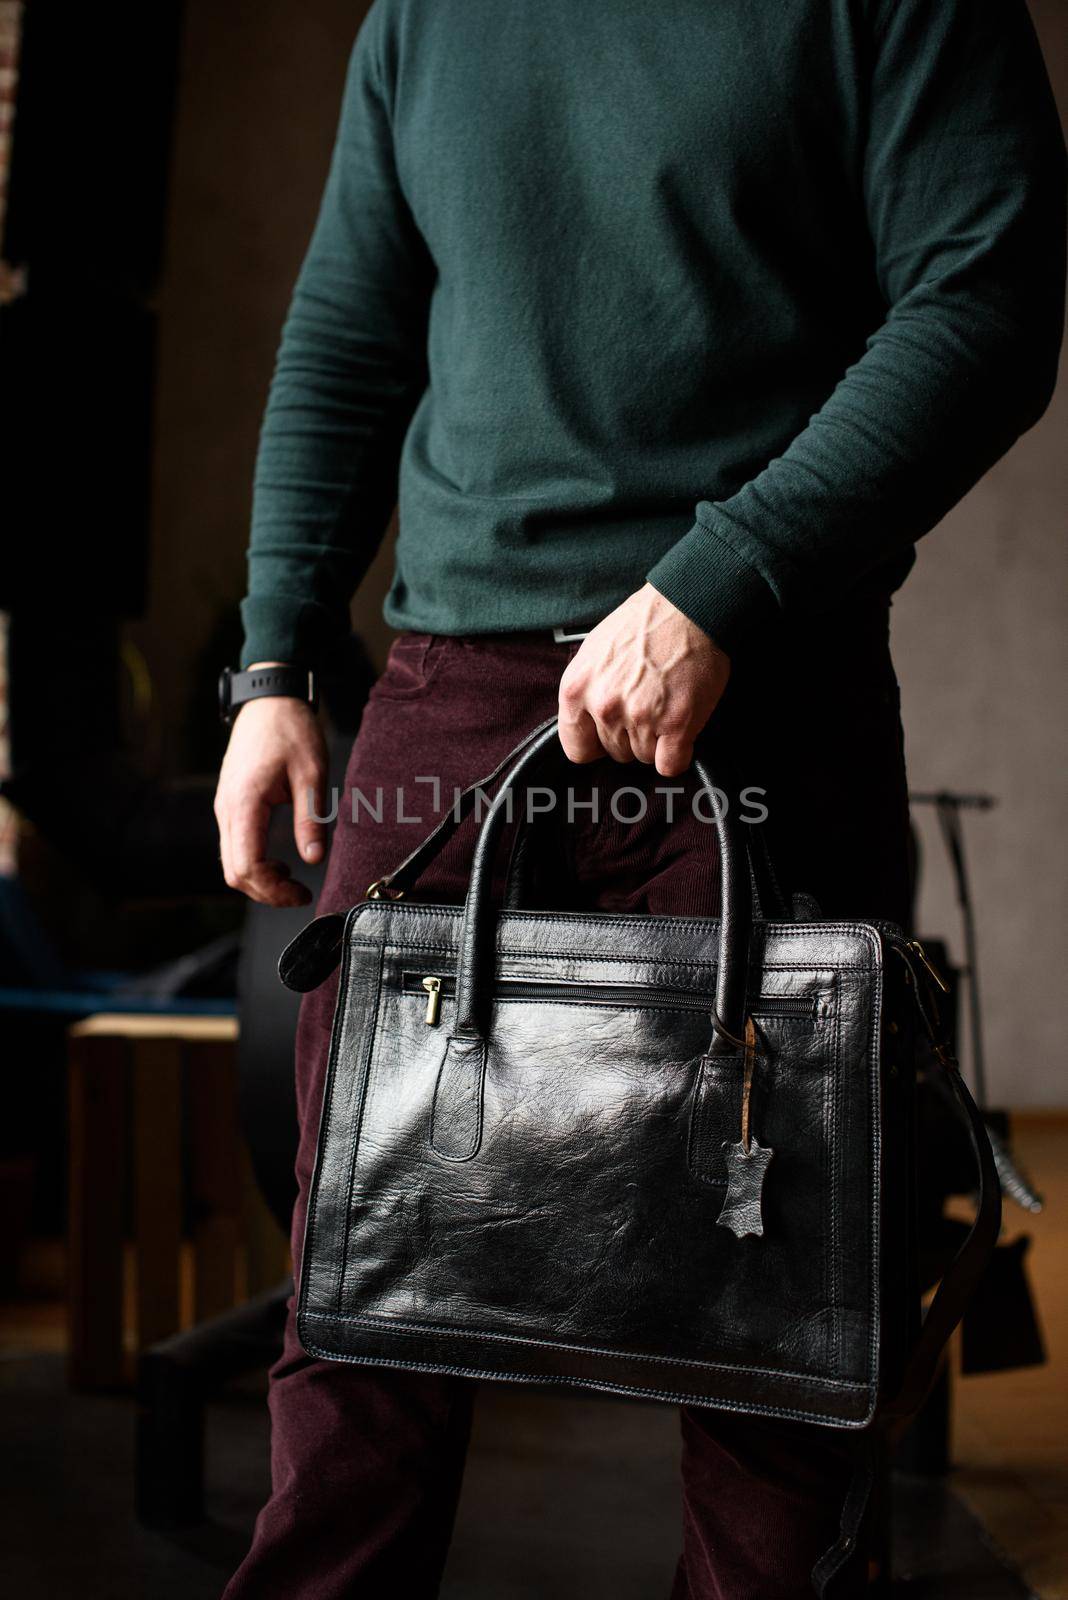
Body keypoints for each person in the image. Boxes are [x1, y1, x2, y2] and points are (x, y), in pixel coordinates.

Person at [214, 2, 1066, 1594]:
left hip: (752, 699)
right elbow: (349, 333)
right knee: (363, 1306)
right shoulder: (425, 18)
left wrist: (724, 583)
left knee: (777, 1334)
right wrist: (272, 668)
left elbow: (989, 298)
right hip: (443, 703)